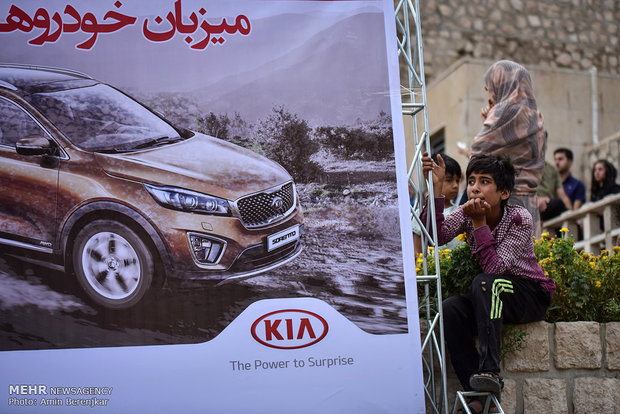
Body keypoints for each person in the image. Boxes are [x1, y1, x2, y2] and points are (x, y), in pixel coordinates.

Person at [421, 153, 554, 413]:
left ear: (503, 192)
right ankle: (478, 395)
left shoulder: (519, 218)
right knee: (450, 308)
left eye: (484, 181)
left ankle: (490, 372)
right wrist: (436, 189)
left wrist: (479, 223)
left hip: (529, 293)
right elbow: (435, 236)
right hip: (492, 293)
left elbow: (496, 269)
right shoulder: (466, 211)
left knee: (486, 283)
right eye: (471, 181)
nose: (474, 188)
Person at [470, 60, 546, 238]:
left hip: (505, 202)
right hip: (530, 202)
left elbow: (478, 152)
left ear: (499, 84)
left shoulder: (505, 111)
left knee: (501, 261)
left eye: (488, 88)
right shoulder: (536, 115)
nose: (489, 95)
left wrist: (490, 118)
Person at [413, 153, 462, 255]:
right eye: (449, 180)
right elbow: (416, 251)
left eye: (457, 181)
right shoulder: (420, 214)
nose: (455, 186)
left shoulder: (461, 212)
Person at [590, 159, 620, 231]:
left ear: (607, 171)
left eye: (600, 169)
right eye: (595, 170)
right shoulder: (595, 192)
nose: (597, 172)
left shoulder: (614, 188)